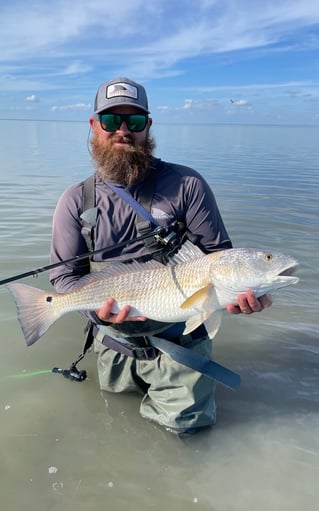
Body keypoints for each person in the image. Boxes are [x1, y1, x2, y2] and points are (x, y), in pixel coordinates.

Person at [50, 77, 271, 435]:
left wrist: (243, 294)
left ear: (148, 127)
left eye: (134, 121)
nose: (123, 131)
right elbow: (65, 280)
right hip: (113, 345)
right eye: (110, 121)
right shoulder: (75, 202)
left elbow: (220, 260)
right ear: (94, 126)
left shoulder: (187, 185)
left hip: (181, 346)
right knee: (116, 431)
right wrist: (97, 311)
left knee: (186, 435)